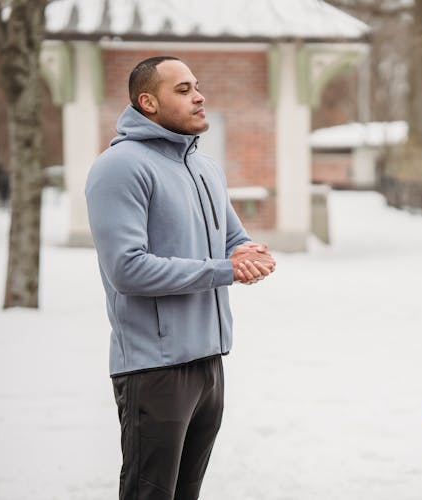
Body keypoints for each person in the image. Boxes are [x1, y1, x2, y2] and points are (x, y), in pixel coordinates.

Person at [85, 55, 276, 500]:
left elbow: (232, 239)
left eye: (198, 85)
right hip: (153, 367)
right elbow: (127, 269)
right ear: (148, 101)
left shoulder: (205, 168)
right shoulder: (120, 167)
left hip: (208, 362)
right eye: (184, 89)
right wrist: (225, 269)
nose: (200, 96)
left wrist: (246, 253)